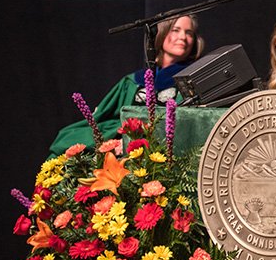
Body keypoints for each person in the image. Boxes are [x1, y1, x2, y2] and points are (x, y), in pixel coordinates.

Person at [48, 14, 204, 156]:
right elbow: (104, 117)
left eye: (189, 33)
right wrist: (117, 138)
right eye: (175, 30)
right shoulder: (132, 81)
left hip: (165, 150)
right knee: (68, 137)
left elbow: (189, 124)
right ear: (161, 33)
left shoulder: (193, 80)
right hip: (122, 145)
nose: (183, 37)